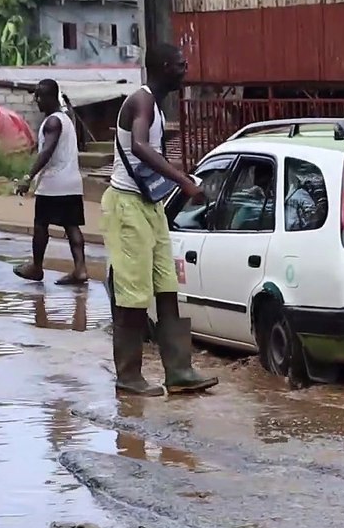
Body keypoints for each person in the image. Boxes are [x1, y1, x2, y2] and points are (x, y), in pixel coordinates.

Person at [103, 42, 218, 396]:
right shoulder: (142, 101)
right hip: (125, 206)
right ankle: (128, 375)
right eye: (181, 65)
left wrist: (179, 179)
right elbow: (139, 145)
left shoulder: (156, 105)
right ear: (165, 66)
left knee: (167, 289)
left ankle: (179, 371)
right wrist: (183, 180)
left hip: (149, 207)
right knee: (133, 296)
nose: (186, 70)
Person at [13, 79, 89, 285]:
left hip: (54, 184)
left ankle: (36, 268)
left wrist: (28, 177)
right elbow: (47, 146)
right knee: (72, 226)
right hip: (72, 182)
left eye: (39, 95)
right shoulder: (65, 119)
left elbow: (48, 151)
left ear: (50, 97)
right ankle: (80, 269)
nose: (36, 100)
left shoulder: (53, 122)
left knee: (40, 225)